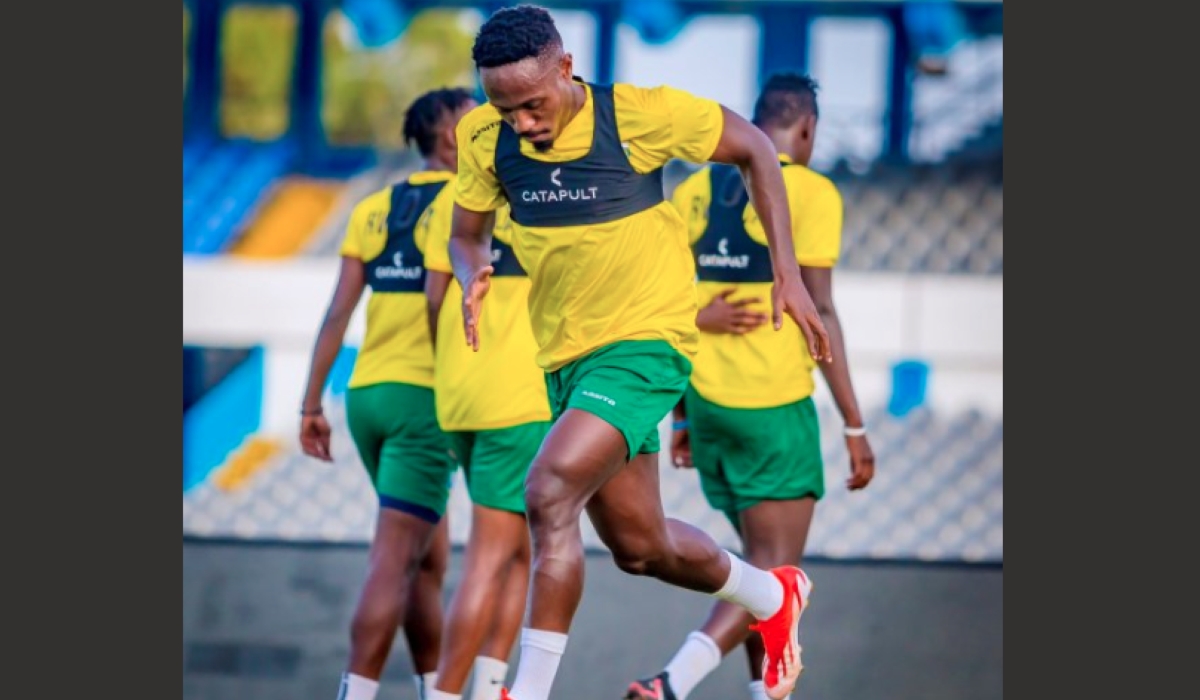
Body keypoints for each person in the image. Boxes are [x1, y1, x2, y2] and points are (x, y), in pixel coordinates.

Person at [447, 6, 835, 700]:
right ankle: (774, 599)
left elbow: (751, 147)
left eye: (533, 105)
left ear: (566, 69)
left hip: (646, 343)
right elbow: (464, 230)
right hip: (565, 359)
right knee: (641, 547)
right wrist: (472, 262)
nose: (522, 124)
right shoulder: (485, 137)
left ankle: (523, 693)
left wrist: (787, 276)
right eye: (505, 110)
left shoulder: (637, 116)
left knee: (548, 490)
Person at [622, 73, 877, 700]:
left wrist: (681, 417)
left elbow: (670, 304)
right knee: (775, 577)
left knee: (759, 580)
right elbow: (822, 310)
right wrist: (853, 423)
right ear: (807, 129)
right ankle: (671, 682)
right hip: (772, 409)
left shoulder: (697, 188)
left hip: (707, 408)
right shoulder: (812, 191)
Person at [298, 87, 477, 700]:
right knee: (394, 559)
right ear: (450, 137)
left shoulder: (372, 208)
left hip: (368, 396)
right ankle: (357, 690)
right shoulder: (470, 201)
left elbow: (338, 312)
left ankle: (435, 688)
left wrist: (310, 404)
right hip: (425, 401)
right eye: (475, 119)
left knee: (426, 563)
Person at [423, 196, 552, 700]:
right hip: (519, 397)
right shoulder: (544, 186)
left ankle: (491, 689)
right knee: (490, 555)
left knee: (522, 551)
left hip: (461, 391)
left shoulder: (452, 197)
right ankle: (446, 694)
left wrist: (455, 366)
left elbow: (435, 300)